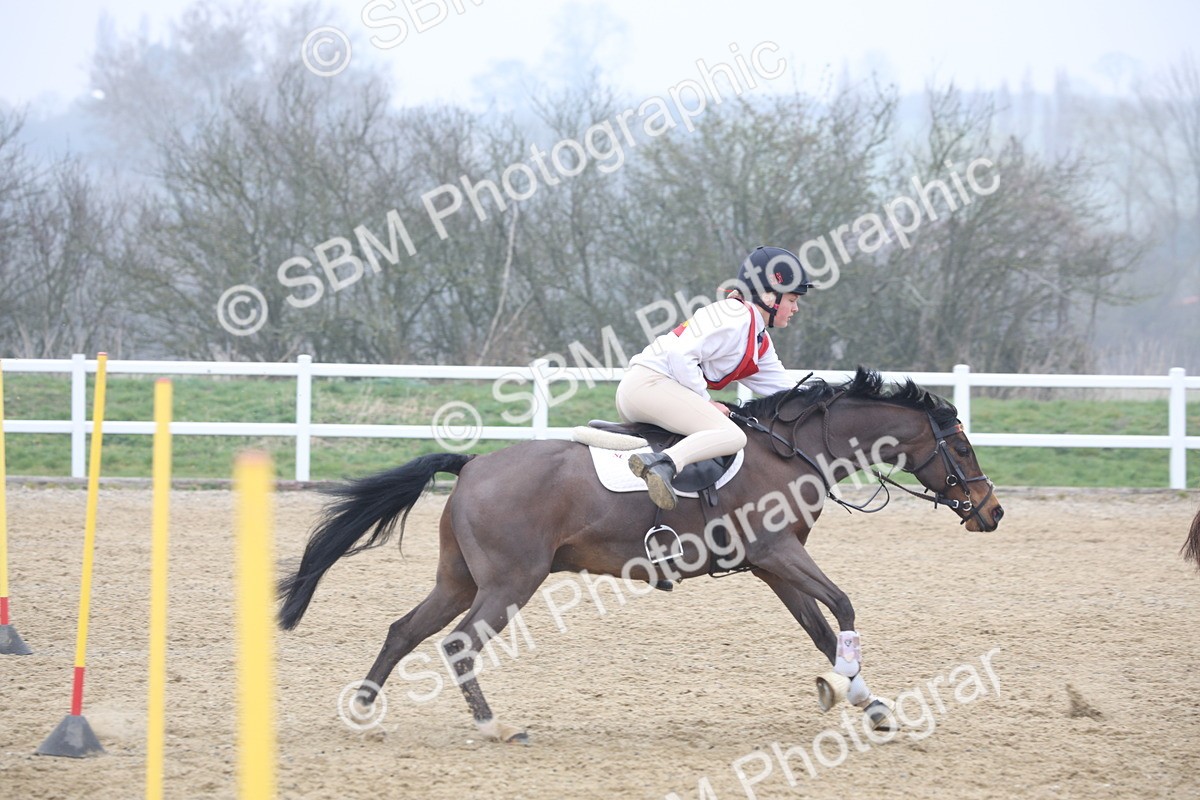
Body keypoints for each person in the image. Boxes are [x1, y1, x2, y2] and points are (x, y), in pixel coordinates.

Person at [617, 245, 813, 510]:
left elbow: (787, 391)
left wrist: (833, 400)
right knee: (732, 435)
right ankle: (660, 464)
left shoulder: (758, 339)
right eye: (792, 299)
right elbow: (679, 353)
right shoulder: (734, 315)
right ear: (769, 297)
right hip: (648, 387)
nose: (796, 308)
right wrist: (704, 401)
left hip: (652, 391)